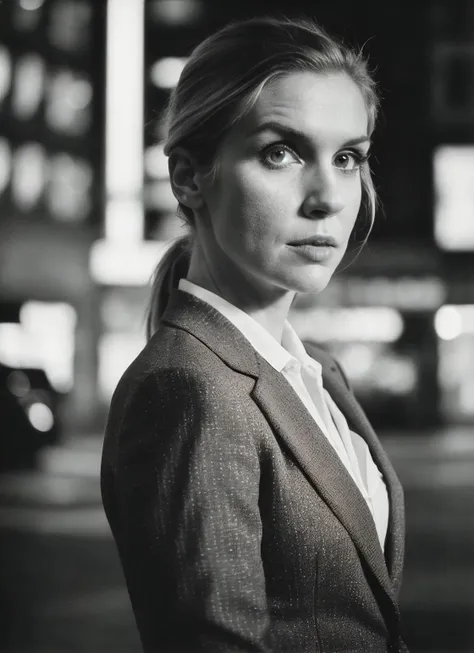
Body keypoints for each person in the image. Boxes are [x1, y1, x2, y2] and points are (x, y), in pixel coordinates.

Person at [100, 15, 409, 653]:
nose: (327, 196)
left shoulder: (317, 369)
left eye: (348, 157)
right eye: (281, 152)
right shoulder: (190, 389)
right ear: (190, 177)